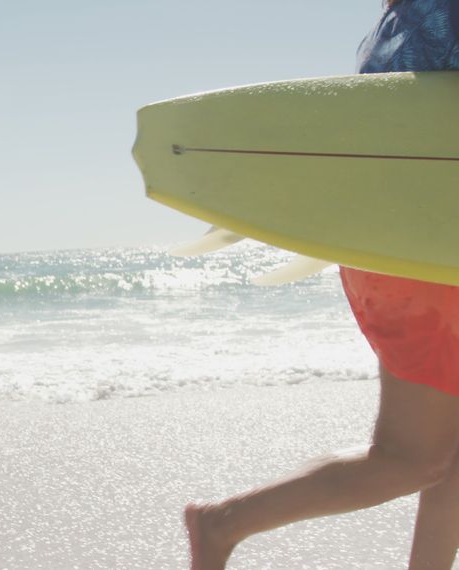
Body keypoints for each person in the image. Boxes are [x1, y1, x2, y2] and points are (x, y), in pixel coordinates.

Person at [184, 2, 459, 569]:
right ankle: (224, 523)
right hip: (423, 254)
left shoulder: (405, 21)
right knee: (411, 458)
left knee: (444, 455)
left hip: (406, 245)